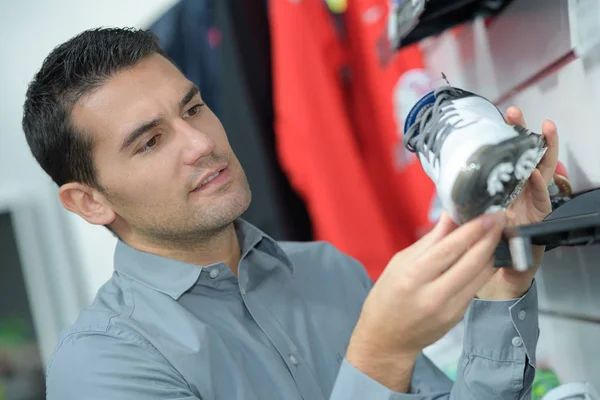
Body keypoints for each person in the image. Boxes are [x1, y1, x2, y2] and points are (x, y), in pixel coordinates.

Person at [22, 28, 559, 399]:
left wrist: (504, 281)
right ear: (89, 201)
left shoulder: (328, 271)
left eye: (193, 108)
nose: (199, 143)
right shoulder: (101, 367)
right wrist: (379, 356)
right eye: (150, 142)